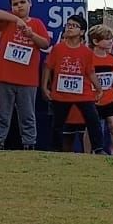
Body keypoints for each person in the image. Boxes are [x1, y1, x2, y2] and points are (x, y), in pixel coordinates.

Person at [0, 0, 52, 150]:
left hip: (28, 79)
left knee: (27, 114)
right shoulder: (8, 21)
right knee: (2, 113)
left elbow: (45, 44)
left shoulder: (37, 23)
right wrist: (17, 20)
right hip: (5, 76)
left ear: (30, 3)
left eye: (22, 2)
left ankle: (29, 144)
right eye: (15, 4)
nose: (19, 6)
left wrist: (31, 35)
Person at [42, 15, 104, 154]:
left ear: (82, 32)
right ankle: (55, 149)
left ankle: (98, 149)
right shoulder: (57, 49)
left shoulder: (87, 52)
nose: (69, 27)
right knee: (57, 124)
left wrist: (99, 89)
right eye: (68, 25)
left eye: (74, 25)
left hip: (83, 93)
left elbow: (91, 72)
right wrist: (44, 87)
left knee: (93, 121)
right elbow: (48, 67)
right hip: (61, 93)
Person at [89, 25, 113, 155]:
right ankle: (88, 153)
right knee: (91, 126)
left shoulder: (112, 58)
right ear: (95, 41)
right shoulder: (89, 57)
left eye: (111, 39)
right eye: (106, 39)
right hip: (92, 98)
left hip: (109, 97)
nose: (110, 42)